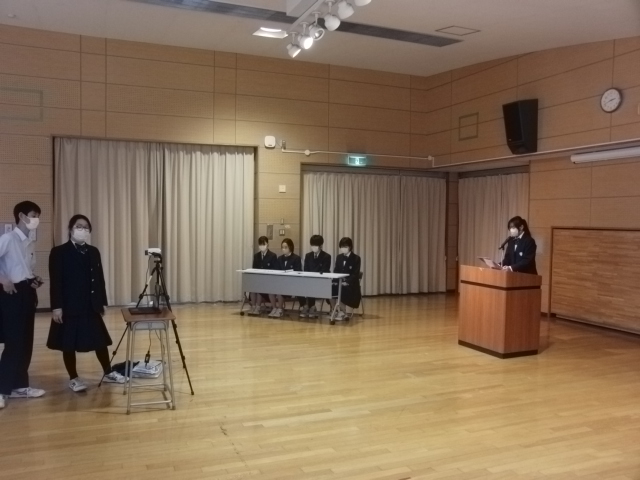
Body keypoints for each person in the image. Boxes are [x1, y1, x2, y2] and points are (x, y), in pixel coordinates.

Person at [47, 215, 125, 392]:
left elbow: (99, 278)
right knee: (69, 343)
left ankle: (108, 372)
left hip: (91, 304)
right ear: (70, 229)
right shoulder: (59, 252)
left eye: (86, 227)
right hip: (69, 306)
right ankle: (73, 378)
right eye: (78, 226)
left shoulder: (93, 251)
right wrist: (56, 307)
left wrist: (102, 301)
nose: (82, 230)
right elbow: (56, 281)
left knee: (100, 341)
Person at [0, 201, 45, 410]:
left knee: (26, 342)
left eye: (37, 216)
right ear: (21, 215)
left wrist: (33, 279)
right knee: (14, 343)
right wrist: (3, 279)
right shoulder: (8, 239)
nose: (36, 219)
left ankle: (19, 386)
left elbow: (25, 270)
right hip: (12, 295)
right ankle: (2, 389)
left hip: (27, 293)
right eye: (33, 214)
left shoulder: (29, 243)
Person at [330, 237, 362, 321]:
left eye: (345, 246)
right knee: (329, 288)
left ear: (350, 247)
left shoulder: (356, 258)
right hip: (340, 282)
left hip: (351, 285)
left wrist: (347, 282)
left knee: (342, 289)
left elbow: (355, 274)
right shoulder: (339, 257)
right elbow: (336, 271)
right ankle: (336, 310)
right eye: (342, 246)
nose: (343, 248)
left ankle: (343, 312)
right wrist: (334, 281)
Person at [299, 235, 331, 319]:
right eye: (312, 245)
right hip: (309, 280)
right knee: (298, 285)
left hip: (321, 281)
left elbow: (324, 270)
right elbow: (306, 269)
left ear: (321, 245)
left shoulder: (326, 256)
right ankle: (305, 306)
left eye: (315, 245)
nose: (313, 247)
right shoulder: (308, 256)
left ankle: (312, 307)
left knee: (311, 285)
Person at [269, 238, 302, 318]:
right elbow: (276, 270)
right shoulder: (279, 258)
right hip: (281, 281)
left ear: (290, 247)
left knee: (280, 288)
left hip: (291, 283)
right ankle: (274, 308)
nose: (283, 249)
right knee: (271, 288)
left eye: (285, 247)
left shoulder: (296, 258)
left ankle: (280, 309)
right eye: (282, 247)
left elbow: (298, 271)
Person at [248, 236, 277, 316]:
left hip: (268, 279)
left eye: (263, 244)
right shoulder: (256, 256)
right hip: (258, 278)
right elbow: (254, 268)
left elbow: (275, 269)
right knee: (252, 287)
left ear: (267, 244)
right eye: (260, 244)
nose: (262, 246)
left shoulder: (272, 255)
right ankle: (253, 306)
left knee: (260, 288)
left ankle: (258, 307)